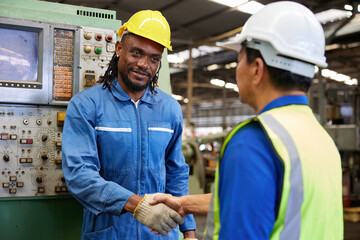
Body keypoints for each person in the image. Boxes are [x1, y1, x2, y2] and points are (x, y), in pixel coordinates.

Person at [151, 2, 344, 239]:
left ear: (257, 69)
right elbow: (265, 199)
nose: (237, 69)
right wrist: (184, 203)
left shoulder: (254, 142)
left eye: (239, 59)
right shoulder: (322, 139)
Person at [62, 10, 196, 239]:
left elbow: (176, 173)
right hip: (109, 232)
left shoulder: (169, 108)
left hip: (160, 233)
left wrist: (189, 232)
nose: (144, 64)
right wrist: (137, 205)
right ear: (119, 49)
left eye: (154, 58)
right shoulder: (86, 105)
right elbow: (80, 175)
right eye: (137, 53)